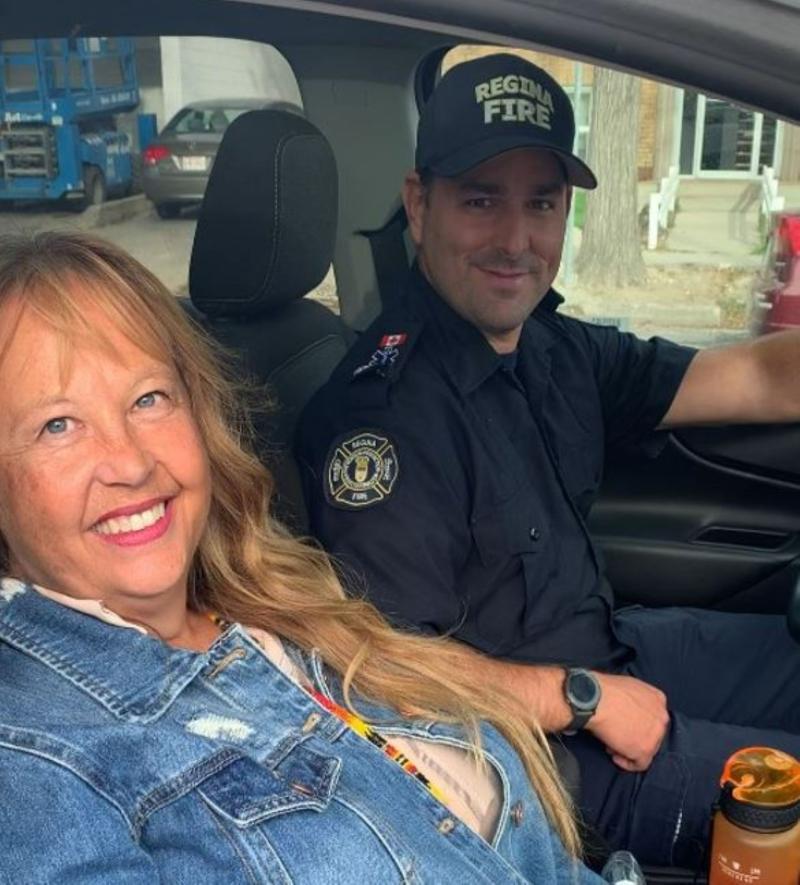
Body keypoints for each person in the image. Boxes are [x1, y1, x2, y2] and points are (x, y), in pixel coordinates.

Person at [295, 52, 800, 868]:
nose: (516, 241)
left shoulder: (555, 348)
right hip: (535, 756)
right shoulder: (381, 422)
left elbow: (748, 376)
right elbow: (388, 674)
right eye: (481, 200)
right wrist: (583, 698)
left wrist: (597, 680)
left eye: (541, 203)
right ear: (419, 207)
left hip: (611, 651)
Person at [0, 230, 608, 884]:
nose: (130, 460)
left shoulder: (268, 601)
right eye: (57, 425)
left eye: (149, 398)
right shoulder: (31, 768)